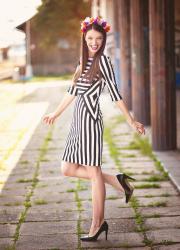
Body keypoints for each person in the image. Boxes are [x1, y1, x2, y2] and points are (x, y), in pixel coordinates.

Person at [43, 16, 145, 242]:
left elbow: (115, 94)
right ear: (84, 38)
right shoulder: (82, 60)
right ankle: (118, 181)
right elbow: (72, 91)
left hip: (90, 121)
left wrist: (131, 120)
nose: (94, 42)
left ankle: (97, 223)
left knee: (94, 172)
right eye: (90, 38)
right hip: (77, 121)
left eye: (99, 38)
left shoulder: (104, 62)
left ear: (103, 39)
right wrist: (55, 114)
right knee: (67, 168)